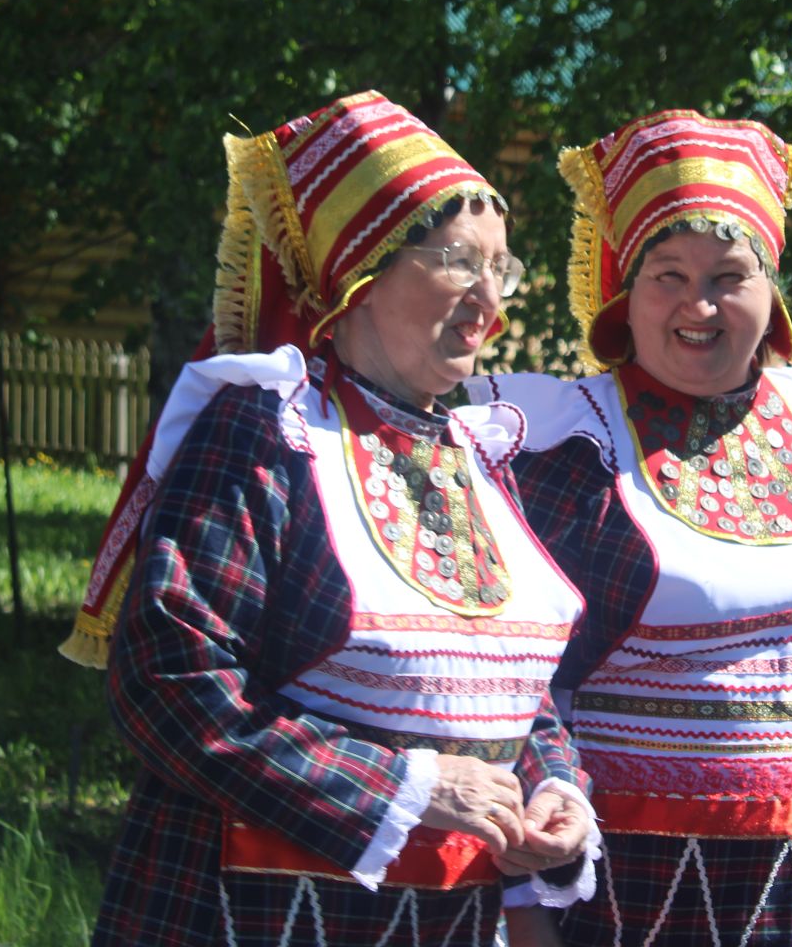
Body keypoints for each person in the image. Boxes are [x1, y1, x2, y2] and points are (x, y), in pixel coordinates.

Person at [67, 92, 598, 947]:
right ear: (360, 269)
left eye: (501, 268)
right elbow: (171, 687)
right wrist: (408, 787)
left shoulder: (478, 453)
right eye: (458, 260)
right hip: (252, 911)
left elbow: (504, 685)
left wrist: (554, 790)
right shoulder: (268, 432)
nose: (487, 299)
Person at [469, 109, 792, 946]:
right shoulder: (572, 448)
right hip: (624, 893)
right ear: (628, 290)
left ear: (772, 293)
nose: (699, 303)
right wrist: (527, 902)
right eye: (668, 274)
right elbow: (517, 678)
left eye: (730, 275)